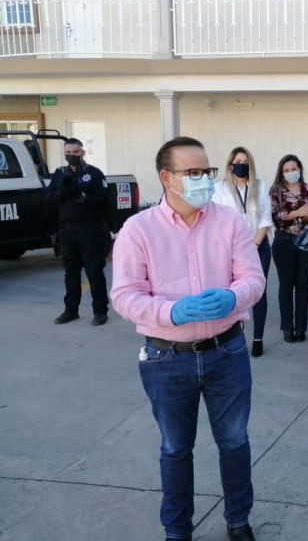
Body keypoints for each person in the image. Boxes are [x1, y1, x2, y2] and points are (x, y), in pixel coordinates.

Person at [110, 137, 265, 541]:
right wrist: (171, 312)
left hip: (226, 351)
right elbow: (124, 295)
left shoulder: (229, 221)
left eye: (207, 172)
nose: (203, 181)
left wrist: (233, 296)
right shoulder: (138, 230)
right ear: (167, 178)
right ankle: (177, 529)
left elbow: (253, 279)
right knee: (175, 448)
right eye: (192, 173)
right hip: (166, 358)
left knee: (234, 442)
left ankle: (238, 520)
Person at [214, 146, 273, 358]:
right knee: (232, 291)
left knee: (258, 292)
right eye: (238, 161)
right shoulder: (219, 189)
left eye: (246, 162)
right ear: (230, 165)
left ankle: (258, 338)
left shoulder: (259, 186)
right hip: (231, 250)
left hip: (259, 246)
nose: (242, 165)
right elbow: (216, 221)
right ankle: (233, 336)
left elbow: (266, 218)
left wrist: (254, 246)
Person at [44, 137, 111, 326]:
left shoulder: (94, 173)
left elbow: (104, 198)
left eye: (75, 152)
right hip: (67, 230)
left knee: (94, 271)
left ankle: (100, 312)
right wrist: (62, 193)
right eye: (68, 153)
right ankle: (70, 311)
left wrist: (84, 197)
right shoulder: (60, 174)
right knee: (71, 273)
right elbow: (47, 197)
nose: (71, 156)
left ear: (82, 153)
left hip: (89, 228)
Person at [269, 154, 308, 343]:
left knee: (303, 284)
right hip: (283, 241)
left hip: (305, 241)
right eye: (287, 170)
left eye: (294, 169)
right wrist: (298, 213)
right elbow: (275, 216)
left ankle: (301, 327)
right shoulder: (276, 191)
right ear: (282, 172)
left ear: (300, 169)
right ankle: (287, 327)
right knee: (286, 283)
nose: (291, 173)